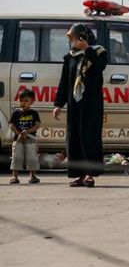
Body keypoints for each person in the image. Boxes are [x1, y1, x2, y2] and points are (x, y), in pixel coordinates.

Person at [54, 23, 107, 187]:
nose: (74, 43)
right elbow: (64, 82)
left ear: (85, 38)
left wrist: (87, 49)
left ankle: (90, 174)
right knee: (74, 138)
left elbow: (99, 67)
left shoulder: (98, 52)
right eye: (72, 40)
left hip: (91, 103)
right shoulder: (69, 57)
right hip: (74, 104)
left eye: (76, 39)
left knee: (89, 137)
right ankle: (79, 175)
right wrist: (58, 104)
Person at [9, 89, 42, 184]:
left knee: (32, 157)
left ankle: (33, 176)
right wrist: (19, 134)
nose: (23, 103)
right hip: (18, 139)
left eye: (26, 101)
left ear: (31, 101)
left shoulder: (34, 113)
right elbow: (12, 125)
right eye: (21, 101)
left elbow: (37, 125)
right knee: (16, 157)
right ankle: (15, 177)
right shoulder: (16, 113)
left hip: (31, 139)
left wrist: (27, 132)